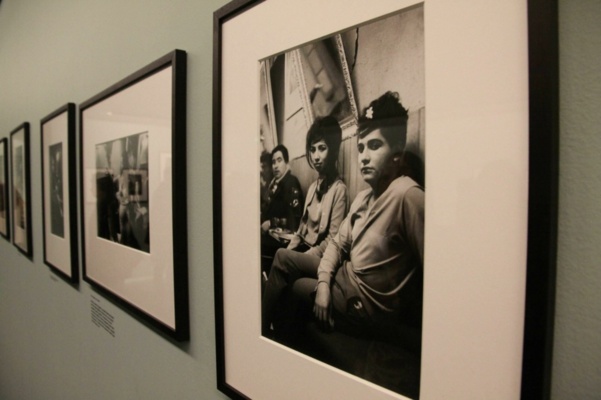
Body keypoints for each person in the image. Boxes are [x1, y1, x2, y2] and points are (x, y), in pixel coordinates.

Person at [262, 91, 424, 342]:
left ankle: (270, 335)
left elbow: (435, 271)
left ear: (397, 152)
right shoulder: (363, 197)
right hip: (340, 277)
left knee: (292, 285)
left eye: (374, 145)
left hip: (361, 301)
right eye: (360, 147)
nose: (364, 156)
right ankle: (265, 331)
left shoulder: (406, 194)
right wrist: (324, 282)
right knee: (283, 256)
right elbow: (338, 243)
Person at [286, 116, 348, 258]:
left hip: (320, 257)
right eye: (312, 150)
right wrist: (288, 252)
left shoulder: (340, 190)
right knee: (280, 254)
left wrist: (300, 258)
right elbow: (301, 231)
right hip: (304, 251)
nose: (316, 156)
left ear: (332, 151)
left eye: (322, 148)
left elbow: (332, 241)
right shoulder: (313, 188)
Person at [260, 145, 304, 262]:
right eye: (273, 162)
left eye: (279, 160)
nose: (275, 165)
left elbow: (295, 219)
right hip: (270, 235)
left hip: (283, 242)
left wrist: (271, 223)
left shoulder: (291, 183)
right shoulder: (274, 184)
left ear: (287, 163)